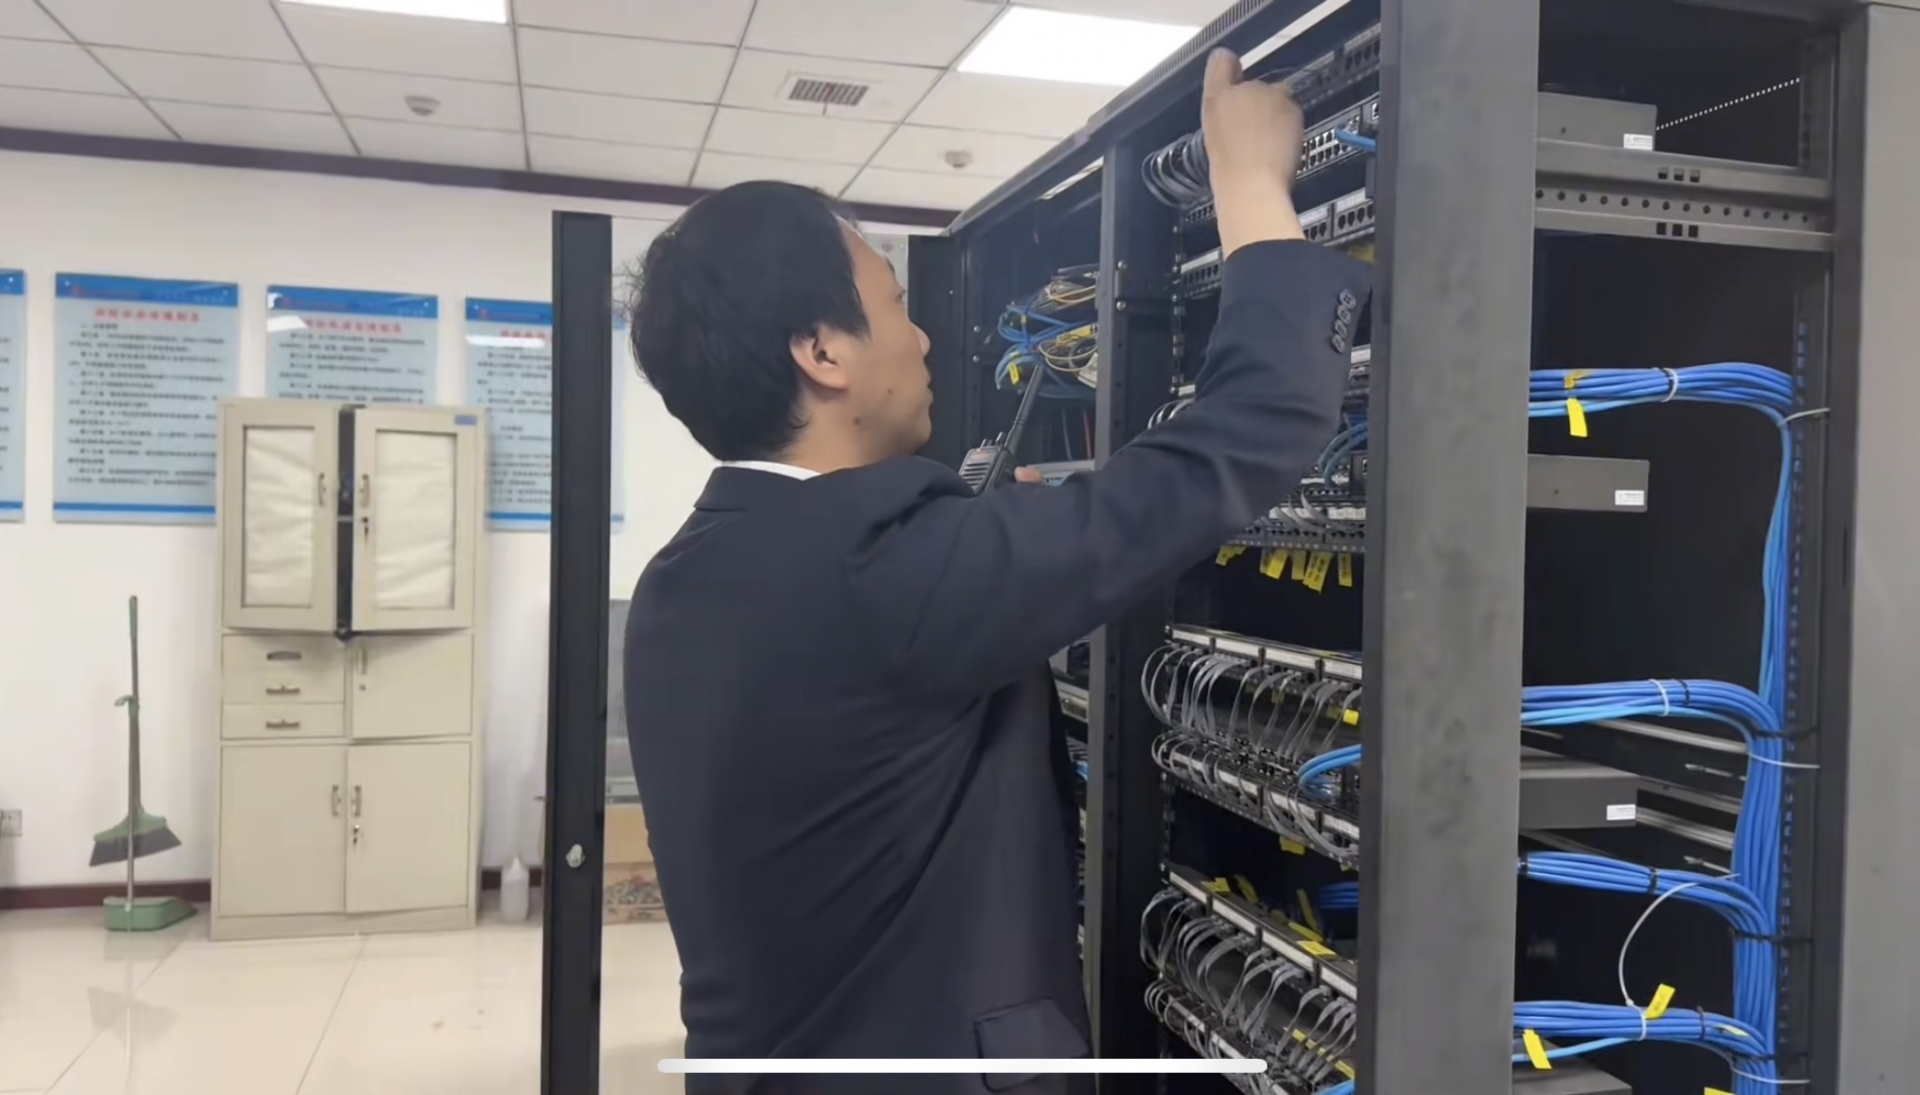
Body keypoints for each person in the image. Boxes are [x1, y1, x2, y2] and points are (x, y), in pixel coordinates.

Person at [622, 49, 1370, 1094]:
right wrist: (1249, 187)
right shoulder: (888, 570)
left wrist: (1008, 536)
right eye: (895, 306)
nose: (924, 339)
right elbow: (1250, 432)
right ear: (822, 353)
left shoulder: (682, 580)